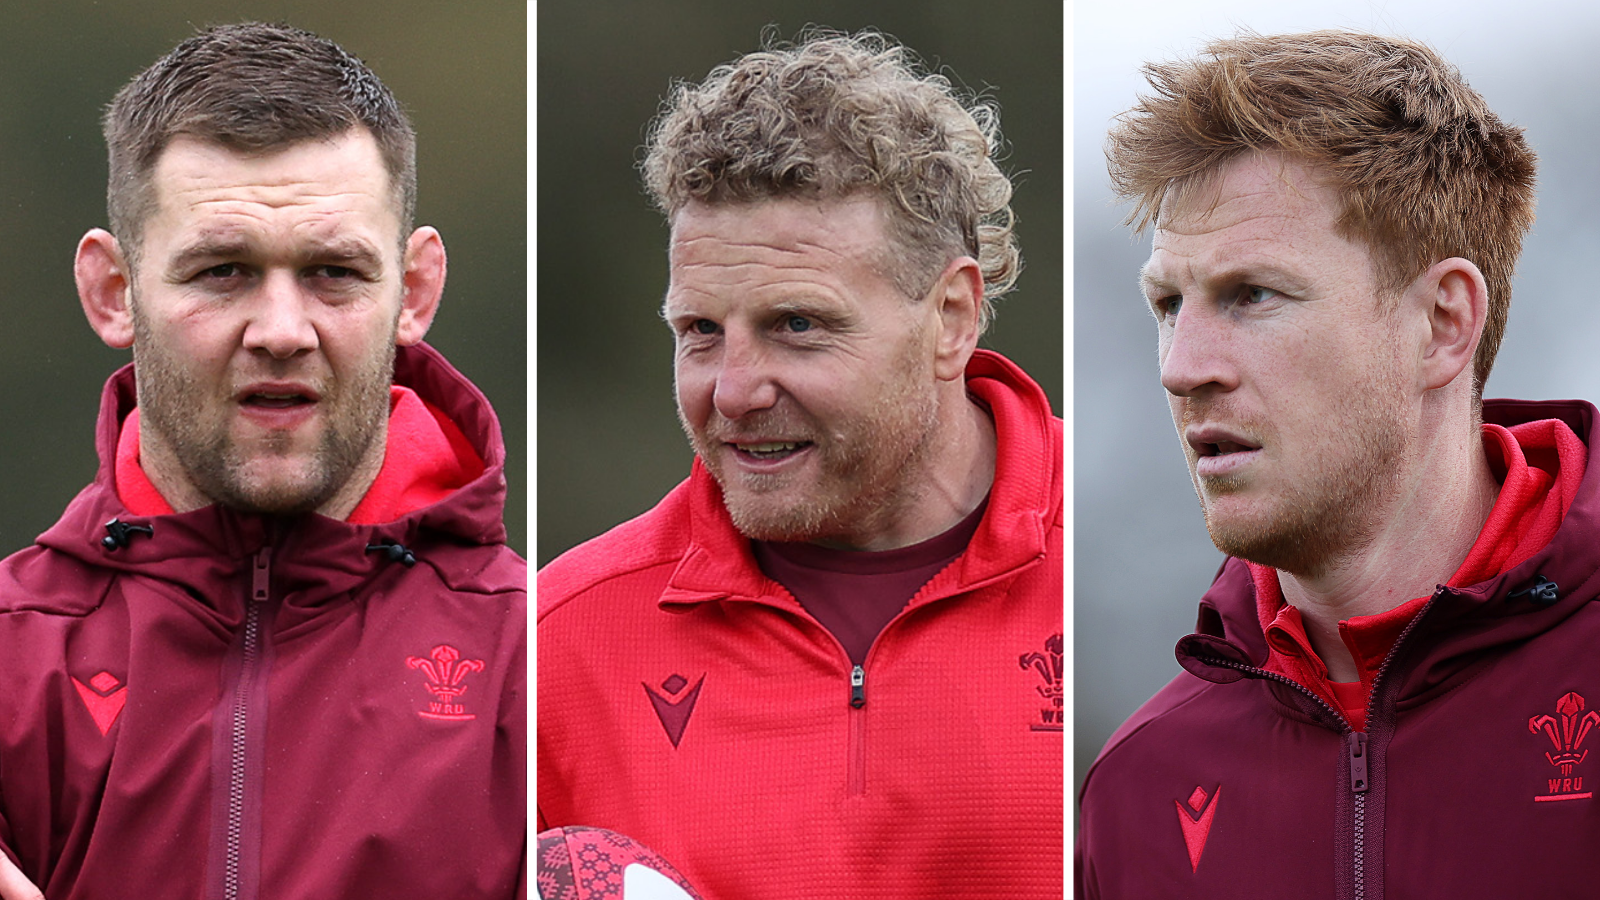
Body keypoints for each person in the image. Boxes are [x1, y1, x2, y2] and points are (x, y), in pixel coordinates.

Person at [0, 23, 525, 900]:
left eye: (333, 272)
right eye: (222, 270)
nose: (282, 331)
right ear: (113, 292)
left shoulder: (548, 661)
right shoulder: (11, 655)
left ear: (415, 289)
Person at [1073, 29, 1600, 898]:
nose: (1181, 367)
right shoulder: (1137, 785)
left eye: (1252, 295)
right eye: (1168, 304)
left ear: (1443, 323)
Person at [537, 31, 1063, 900]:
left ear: (952, 318)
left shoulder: (1132, 589)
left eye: (798, 325)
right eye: (701, 331)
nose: (734, 391)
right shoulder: (558, 642)